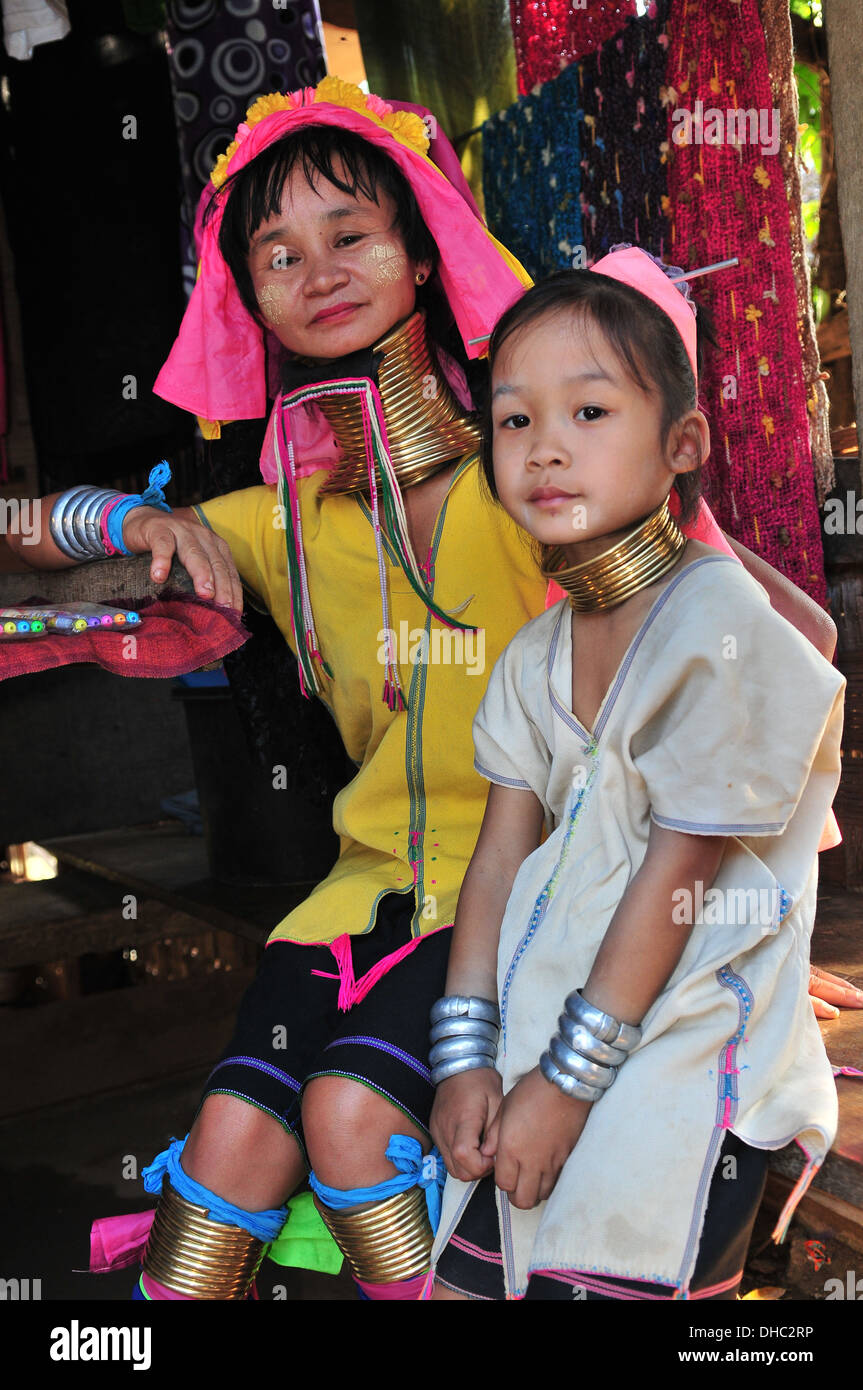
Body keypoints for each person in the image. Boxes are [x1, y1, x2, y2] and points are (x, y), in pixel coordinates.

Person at [9, 81, 855, 1301]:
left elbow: (768, 652)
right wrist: (130, 512)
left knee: (354, 1111)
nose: (318, 269)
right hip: (355, 894)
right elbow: (24, 535)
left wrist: (758, 899)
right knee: (227, 1153)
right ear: (249, 301)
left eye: (350, 234)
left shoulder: (531, 478)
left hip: (519, 899)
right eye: (277, 253)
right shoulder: (280, 526)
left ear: (419, 252)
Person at [427, 248, 846, 1302]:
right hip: (554, 1017)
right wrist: (464, 1051)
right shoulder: (535, 654)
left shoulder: (718, 631)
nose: (544, 449)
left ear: (681, 444)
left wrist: (562, 1089)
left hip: (690, 1038)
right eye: (514, 421)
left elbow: (678, 876)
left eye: (589, 412)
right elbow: (493, 863)